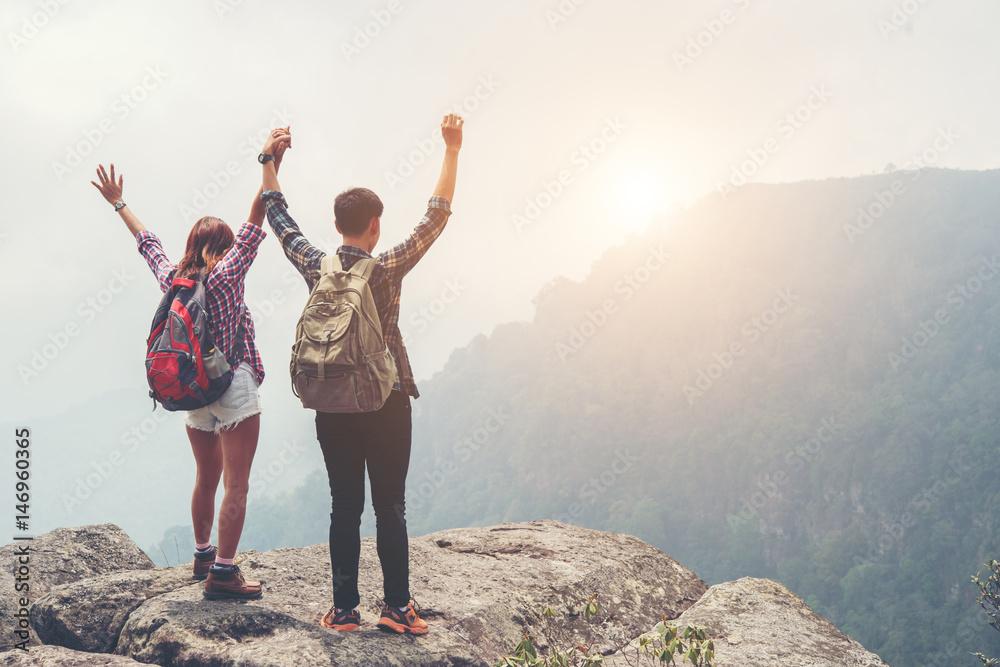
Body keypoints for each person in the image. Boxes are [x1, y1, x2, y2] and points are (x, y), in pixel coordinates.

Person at [260, 114, 464, 633]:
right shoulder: (389, 265)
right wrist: (452, 150)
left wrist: (270, 162)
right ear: (375, 226)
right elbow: (435, 218)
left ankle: (344, 609)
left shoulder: (316, 264)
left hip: (331, 402)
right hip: (386, 400)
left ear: (336, 227)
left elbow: (279, 220)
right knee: (389, 504)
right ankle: (397, 608)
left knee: (344, 505)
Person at [90, 128, 290, 599]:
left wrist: (119, 202)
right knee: (236, 485)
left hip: (192, 389)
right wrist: (270, 163)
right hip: (234, 387)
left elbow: (148, 243)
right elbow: (255, 220)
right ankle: (223, 573)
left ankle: (202, 555)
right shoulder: (228, 272)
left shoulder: (174, 277)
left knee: (207, 476)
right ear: (221, 244)